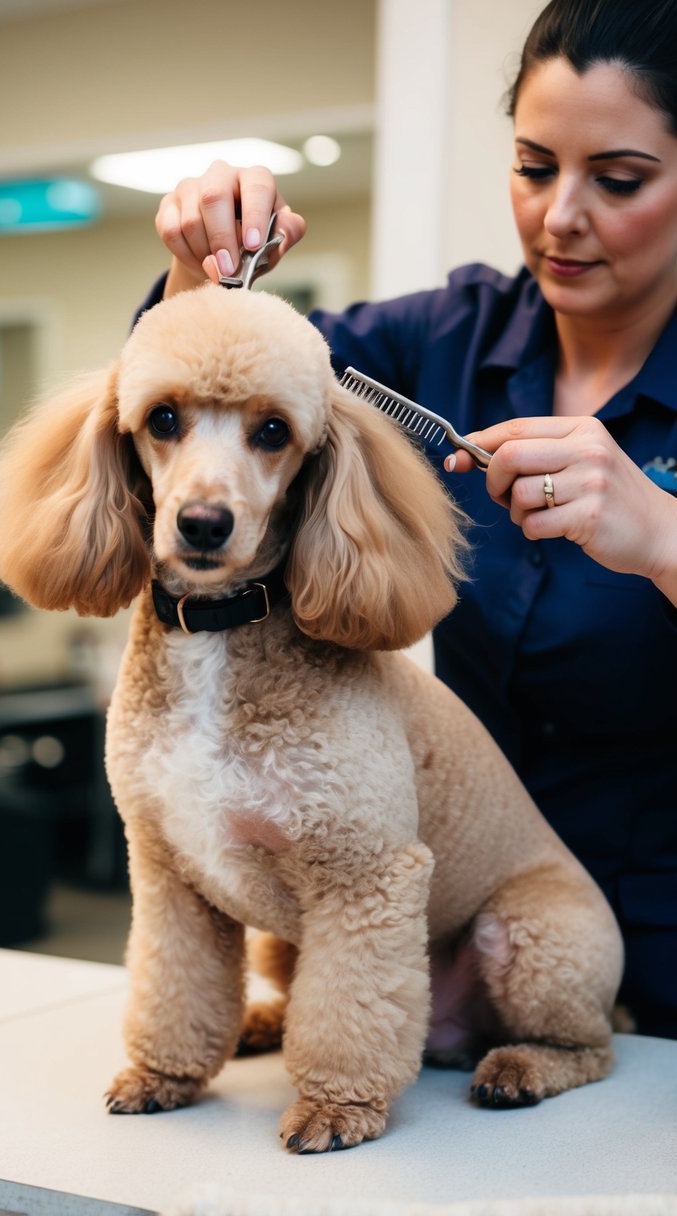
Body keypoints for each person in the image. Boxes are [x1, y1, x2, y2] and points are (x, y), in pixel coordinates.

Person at [142, 0, 677, 1040]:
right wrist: (201, 266)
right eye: (532, 166)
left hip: (660, 933)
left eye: (616, 180)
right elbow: (190, 386)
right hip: (427, 913)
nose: (559, 215)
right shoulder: (439, 338)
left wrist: (661, 537)